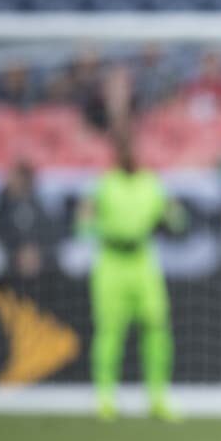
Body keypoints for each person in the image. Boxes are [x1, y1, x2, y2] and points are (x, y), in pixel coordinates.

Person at [76, 127, 186, 420]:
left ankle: (157, 397)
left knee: (156, 326)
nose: (130, 154)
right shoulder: (103, 184)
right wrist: (87, 220)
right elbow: (83, 220)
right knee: (109, 331)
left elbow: (176, 219)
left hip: (142, 259)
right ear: (116, 153)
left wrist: (174, 215)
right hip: (111, 260)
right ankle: (105, 398)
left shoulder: (151, 183)